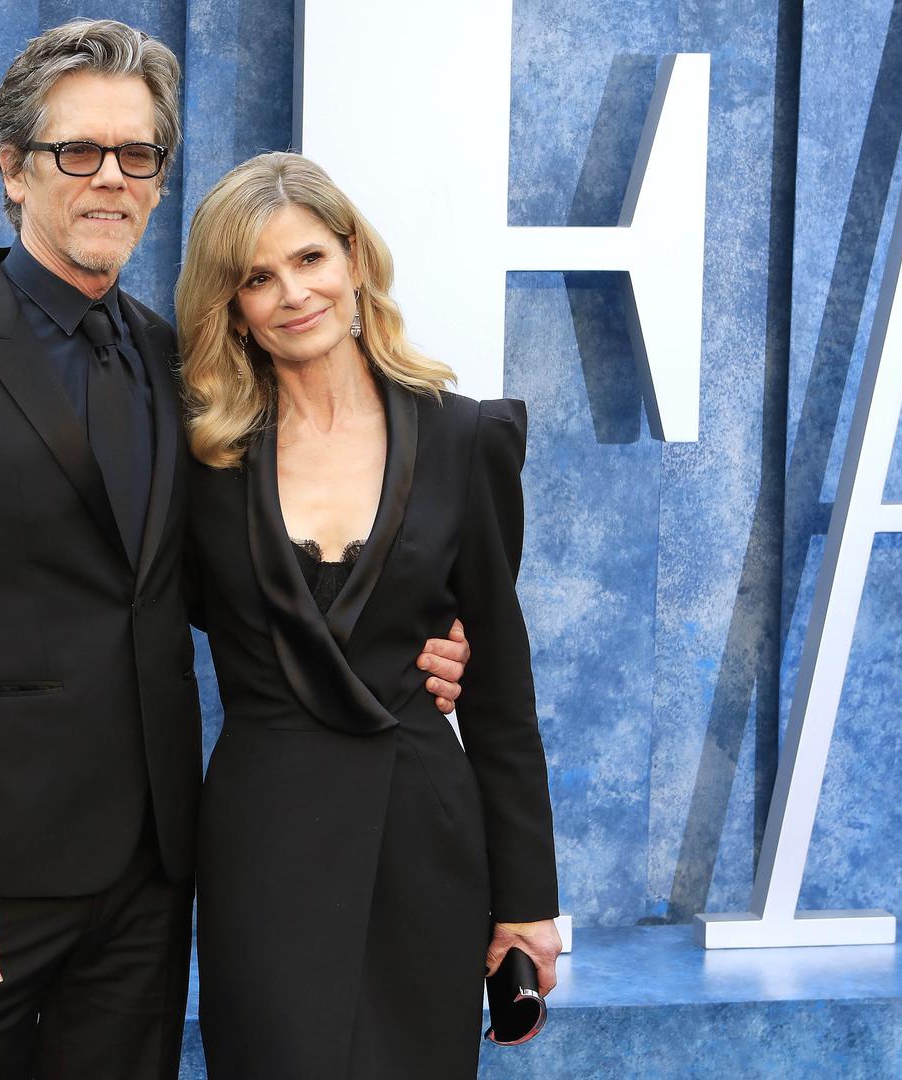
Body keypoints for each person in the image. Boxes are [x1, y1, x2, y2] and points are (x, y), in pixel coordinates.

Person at [0, 22, 470, 1079]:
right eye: (78, 151)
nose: (110, 178)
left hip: (154, 870)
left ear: (160, 180)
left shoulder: (182, 365)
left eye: (137, 155)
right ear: (13, 169)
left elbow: (237, 587)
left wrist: (421, 639)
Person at [175, 152, 563, 1080]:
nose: (292, 294)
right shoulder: (200, 457)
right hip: (264, 839)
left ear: (353, 257)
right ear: (230, 305)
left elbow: (499, 693)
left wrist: (526, 900)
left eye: (309, 258)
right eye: (256, 278)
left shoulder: (466, 438)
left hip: (422, 830)